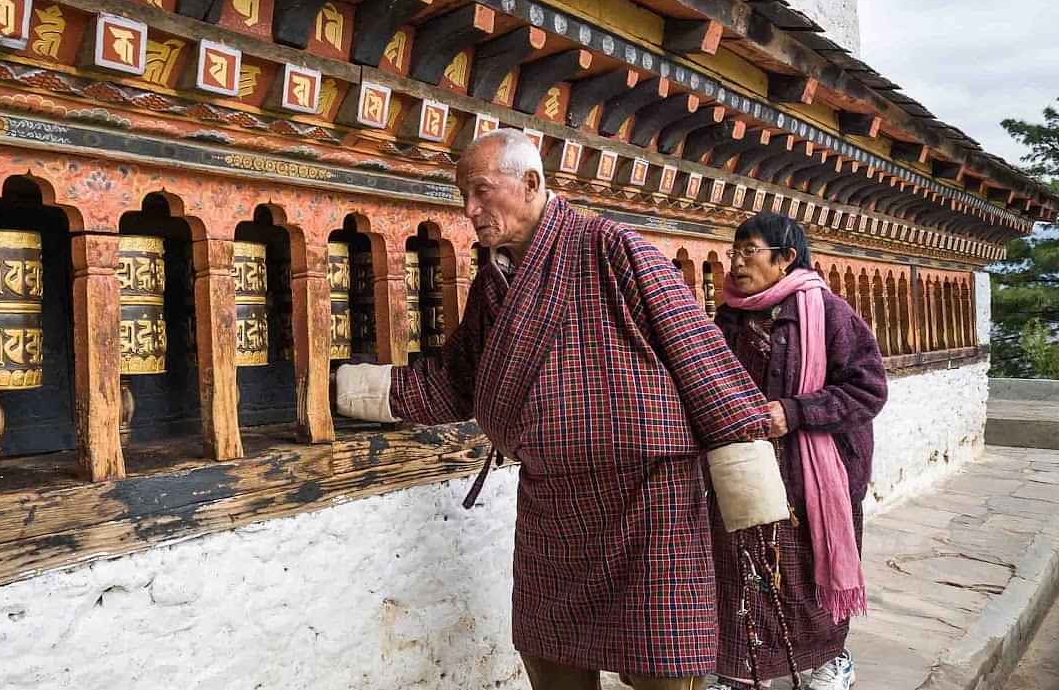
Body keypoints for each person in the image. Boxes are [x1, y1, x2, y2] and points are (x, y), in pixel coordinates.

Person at [333, 129, 776, 690]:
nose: (470, 211)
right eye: (463, 197)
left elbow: (698, 354)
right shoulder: (494, 282)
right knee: (551, 659)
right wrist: (346, 390)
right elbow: (455, 382)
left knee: (659, 666)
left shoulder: (614, 247)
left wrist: (750, 485)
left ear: (531, 183)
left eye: (481, 192)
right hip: (554, 501)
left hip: (648, 500)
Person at [707, 213, 889, 690]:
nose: (737, 261)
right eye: (735, 250)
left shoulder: (828, 313)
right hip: (747, 468)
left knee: (808, 571)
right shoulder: (729, 315)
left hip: (816, 472)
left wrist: (793, 412)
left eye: (750, 250)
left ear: (786, 258)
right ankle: (742, 671)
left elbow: (868, 390)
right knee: (742, 566)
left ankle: (831, 658)